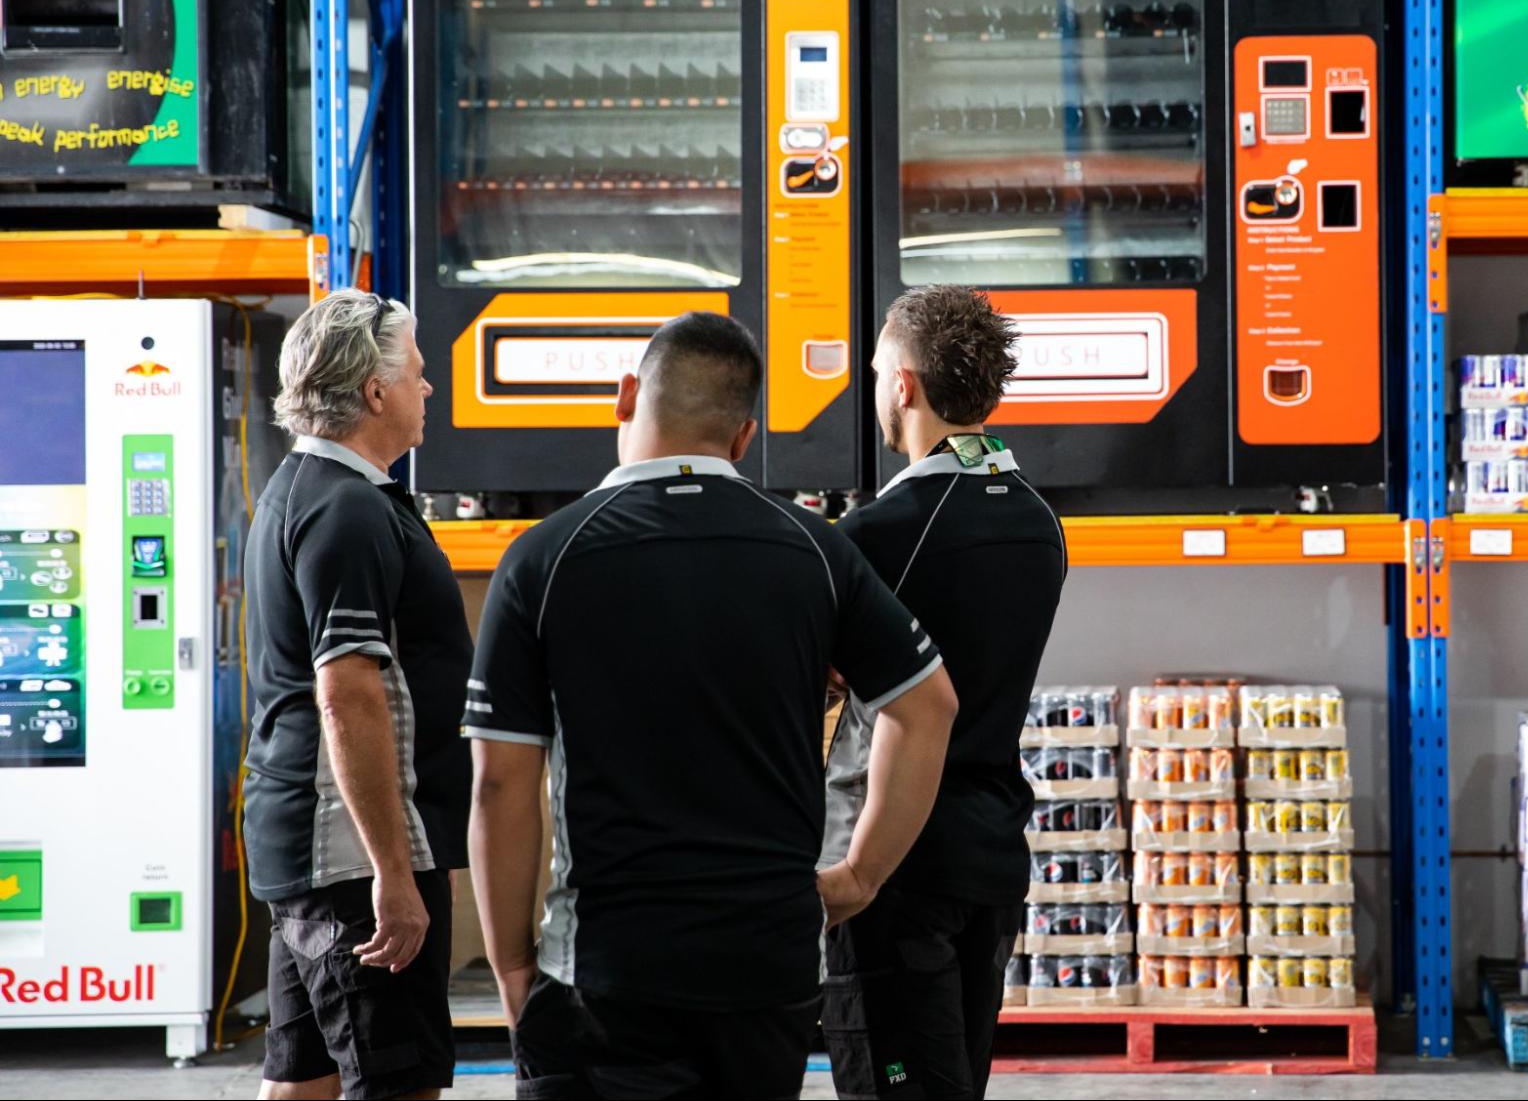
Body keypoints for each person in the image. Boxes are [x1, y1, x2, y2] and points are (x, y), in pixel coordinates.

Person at [465, 311, 959, 1099]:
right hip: (766, 972)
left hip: (605, 972)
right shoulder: (815, 549)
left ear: (625, 396)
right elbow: (927, 704)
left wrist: (514, 965)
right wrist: (859, 875)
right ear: (743, 437)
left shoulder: (543, 557)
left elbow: (500, 784)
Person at [822, 285, 1068, 1100]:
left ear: (903, 386)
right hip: (993, 857)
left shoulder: (873, 536)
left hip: (892, 863)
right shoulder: (1039, 518)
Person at [244, 289, 469, 1101]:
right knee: (395, 1082)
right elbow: (347, 694)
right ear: (374, 393)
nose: (428, 388)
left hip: (313, 848)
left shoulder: (302, 488)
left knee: (303, 1080)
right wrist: (393, 874)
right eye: (417, 371)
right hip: (352, 858)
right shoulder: (347, 511)